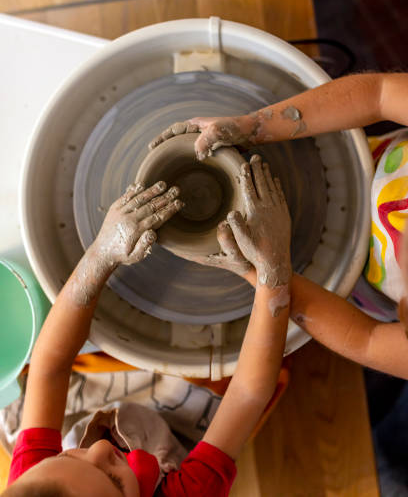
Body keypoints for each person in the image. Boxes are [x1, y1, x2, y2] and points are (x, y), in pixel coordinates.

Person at [4, 156, 292, 497]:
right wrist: (273, 274)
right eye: (113, 479)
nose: (98, 449)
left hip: (89, 419)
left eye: (69, 455)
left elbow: (49, 366)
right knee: (239, 364)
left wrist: (100, 256)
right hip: (174, 443)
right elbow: (247, 394)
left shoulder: (36, 476)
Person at [149, 72, 408, 380]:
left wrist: (262, 270)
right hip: (362, 164)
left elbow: (366, 340)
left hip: (352, 277)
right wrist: (254, 126)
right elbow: (378, 94)